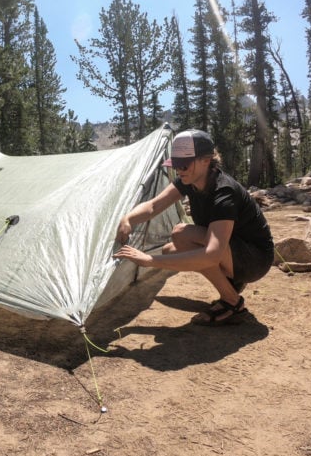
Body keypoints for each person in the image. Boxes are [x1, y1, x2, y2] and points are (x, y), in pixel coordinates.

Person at [113, 129, 274, 326]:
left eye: (184, 164)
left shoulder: (223, 192)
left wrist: (149, 260)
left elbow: (212, 254)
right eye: (176, 165)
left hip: (256, 260)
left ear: (206, 160)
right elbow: (155, 205)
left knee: (181, 235)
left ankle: (232, 302)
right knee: (169, 250)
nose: (179, 170)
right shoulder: (190, 180)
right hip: (236, 251)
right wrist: (128, 218)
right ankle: (231, 282)